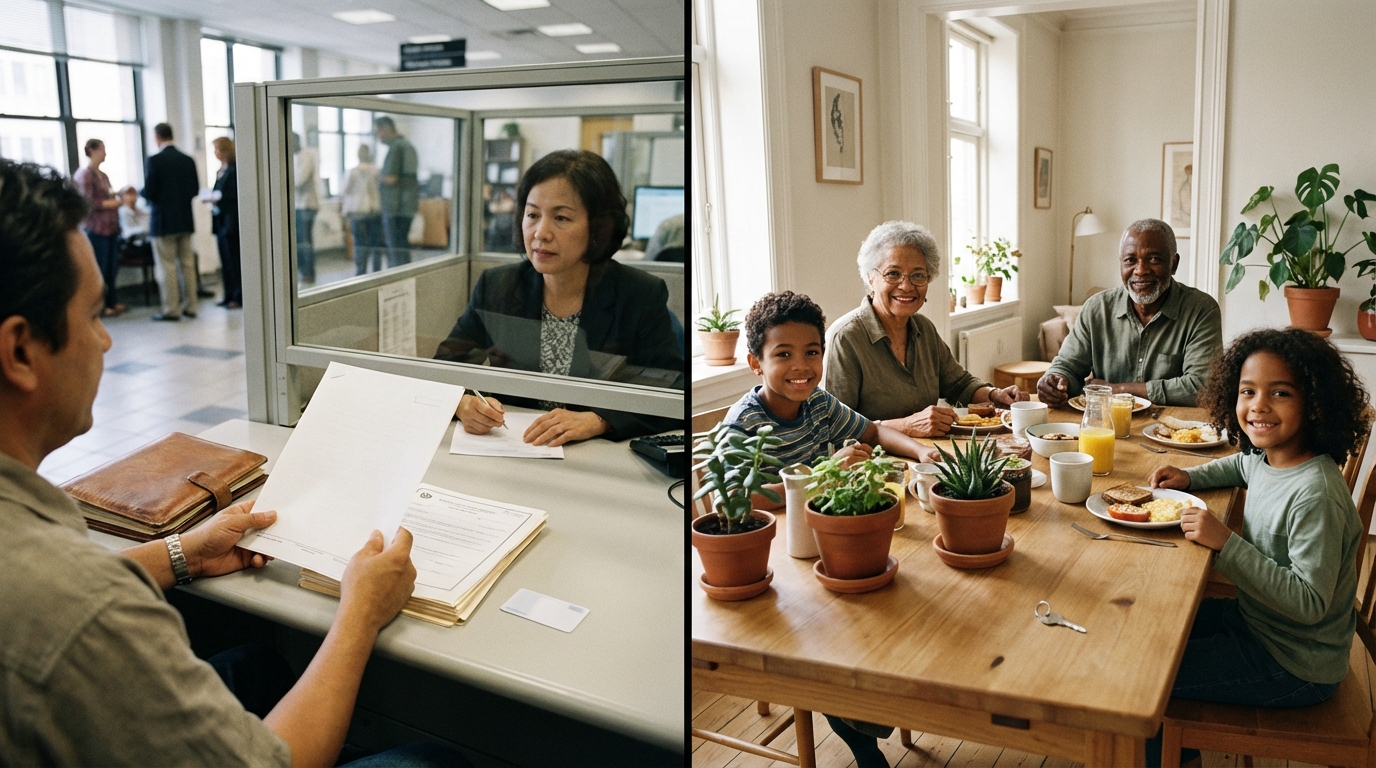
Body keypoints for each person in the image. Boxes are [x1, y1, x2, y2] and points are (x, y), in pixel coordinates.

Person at [0, 159, 467, 766]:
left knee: (257, 666)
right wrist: (359, 613)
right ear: (19, 349)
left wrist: (182, 552)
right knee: (433, 762)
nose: (107, 339)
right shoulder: (83, 606)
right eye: (92, 315)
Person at [723, 290, 937, 768]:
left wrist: (922, 451)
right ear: (756, 363)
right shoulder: (746, 421)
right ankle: (864, 745)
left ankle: (885, 699)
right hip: (783, 560)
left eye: (812, 353)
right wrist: (825, 473)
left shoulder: (818, 402)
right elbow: (736, 498)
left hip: (830, 545)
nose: (801, 366)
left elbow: (874, 431)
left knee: (892, 606)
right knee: (833, 641)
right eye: (783, 355)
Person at [1143, 328, 1371, 766]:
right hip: (1258, 622)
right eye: (1248, 391)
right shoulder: (1273, 456)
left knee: (1151, 673)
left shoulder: (1316, 494)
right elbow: (1243, 464)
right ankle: (1177, 750)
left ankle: (1159, 753)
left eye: (1280, 393)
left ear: (1315, 403)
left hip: (1296, 663)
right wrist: (1192, 477)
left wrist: (1226, 543)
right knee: (1155, 625)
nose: (1258, 406)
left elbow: (1309, 603)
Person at [434, 149, 682, 445]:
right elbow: (443, 369)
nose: (541, 233)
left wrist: (599, 419)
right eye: (533, 215)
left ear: (598, 228)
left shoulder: (638, 293)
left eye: (561, 218)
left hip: (597, 458)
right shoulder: (498, 286)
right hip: (511, 447)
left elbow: (674, 388)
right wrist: (462, 403)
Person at [823, 221, 1026, 438]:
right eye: (893, 273)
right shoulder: (845, 338)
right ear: (870, 277)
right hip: (874, 464)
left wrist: (995, 395)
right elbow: (836, 428)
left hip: (926, 455)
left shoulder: (923, 328)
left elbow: (959, 384)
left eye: (918, 275)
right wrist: (906, 426)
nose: (907, 286)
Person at [1037, 218, 1221, 407]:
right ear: (1121, 264)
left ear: (1173, 264)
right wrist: (1056, 380)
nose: (1140, 271)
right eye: (1130, 260)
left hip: (1174, 429)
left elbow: (1203, 387)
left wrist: (1119, 390)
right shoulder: (1096, 308)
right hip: (1106, 426)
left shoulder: (1201, 309)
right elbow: (1067, 365)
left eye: (1154, 259)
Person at [141, 122, 201, 321]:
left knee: (167, 265)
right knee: (187, 264)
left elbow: (150, 191)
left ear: (157, 137)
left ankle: (171, 309)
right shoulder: (187, 160)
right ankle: (191, 306)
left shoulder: (155, 161)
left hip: (163, 221)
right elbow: (194, 190)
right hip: (185, 219)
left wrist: (140, 192)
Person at [72, 138, 125, 317]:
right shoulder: (84, 175)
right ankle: (100, 305)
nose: (105, 153)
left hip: (111, 229)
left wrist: (119, 197)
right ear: (92, 150)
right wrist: (114, 203)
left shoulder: (102, 175)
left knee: (111, 269)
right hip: (96, 229)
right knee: (100, 269)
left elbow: (108, 194)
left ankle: (112, 301)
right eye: (102, 149)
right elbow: (88, 203)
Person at [374, 116, 419, 268]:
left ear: (385, 130)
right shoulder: (408, 146)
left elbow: (391, 179)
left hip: (395, 208)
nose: (377, 137)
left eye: (377, 132)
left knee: (396, 251)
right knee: (402, 247)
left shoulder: (396, 148)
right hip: (407, 206)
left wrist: (376, 175)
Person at [208, 137, 242, 308]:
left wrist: (217, 199)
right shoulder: (221, 170)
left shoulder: (235, 170)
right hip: (220, 220)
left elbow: (234, 195)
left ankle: (238, 295)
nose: (215, 153)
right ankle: (228, 294)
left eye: (217, 149)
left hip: (231, 221)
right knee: (225, 260)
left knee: (234, 260)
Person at [342, 144, 383, 275]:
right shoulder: (376, 171)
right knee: (376, 244)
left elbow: (345, 190)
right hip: (374, 209)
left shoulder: (353, 172)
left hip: (357, 211)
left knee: (360, 243)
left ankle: (361, 272)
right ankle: (377, 272)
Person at [292, 132, 320, 284]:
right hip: (298, 205)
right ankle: (303, 272)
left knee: (305, 242)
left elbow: (298, 180)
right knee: (299, 242)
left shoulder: (306, 156)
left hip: (306, 205)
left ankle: (308, 273)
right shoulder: (295, 157)